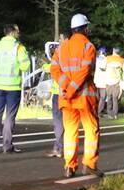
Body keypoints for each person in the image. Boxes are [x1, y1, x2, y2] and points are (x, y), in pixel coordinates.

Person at [50, 14, 102, 178]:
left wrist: (66, 86)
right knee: (91, 130)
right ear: (85, 28)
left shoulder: (61, 48)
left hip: (67, 99)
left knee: (70, 133)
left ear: (73, 29)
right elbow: (84, 72)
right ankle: (89, 164)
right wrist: (72, 89)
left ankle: (69, 167)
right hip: (84, 98)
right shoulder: (88, 47)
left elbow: (54, 69)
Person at [0, 24, 30, 154]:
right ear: (12, 32)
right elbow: (25, 66)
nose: (19, 33)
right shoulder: (18, 47)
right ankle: (7, 146)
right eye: (17, 31)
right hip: (13, 88)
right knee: (9, 117)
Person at [41, 37, 66, 157]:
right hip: (71, 92)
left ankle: (59, 148)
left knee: (59, 122)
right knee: (70, 122)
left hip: (59, 92)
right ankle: (68, 149)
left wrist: (44, 65)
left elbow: (53, 68)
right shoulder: (75, 53)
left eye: (60, 39)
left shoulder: (60, 52)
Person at [101, 48, 124, 120]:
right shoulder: (122, 60)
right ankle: (115, 114)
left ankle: (110, 114)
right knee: (115, 99)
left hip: (108, 82)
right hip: (117, 82)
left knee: (109, 98)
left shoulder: (107, 58)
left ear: (113, 50)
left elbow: (102, 68)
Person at [94, 46, 108, 116]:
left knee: (97, 97)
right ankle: (99, 112)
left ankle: (95, 111)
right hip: (103, 81)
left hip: (96, 81)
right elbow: (103, 68)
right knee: (102, 97)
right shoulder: (105, 59)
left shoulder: (96, 59)